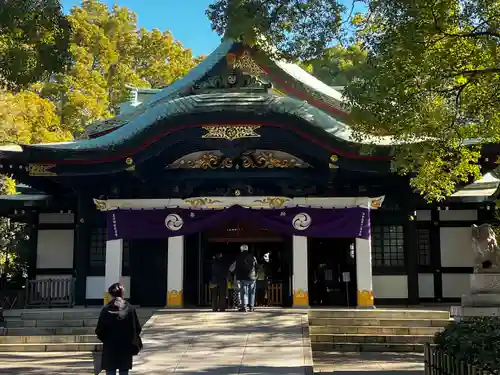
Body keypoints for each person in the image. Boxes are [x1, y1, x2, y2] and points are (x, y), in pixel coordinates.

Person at [95, 283, 142, 375]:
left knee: (110, 370)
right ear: (122, 294)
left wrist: (106, 340)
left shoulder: (106, 310)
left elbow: (99, 330)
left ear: (110, 294)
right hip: (125, 347)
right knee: (124, 371)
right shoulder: (130, 309)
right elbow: (137, 329)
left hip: (110, 347)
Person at [234, 244, 258, 312]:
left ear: (241, 249)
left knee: (244, 292)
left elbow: (237, 268)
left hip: (243, 277)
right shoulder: (253, 256)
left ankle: (244, 307)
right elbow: (256, 266)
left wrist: (237, 277)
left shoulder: (238, 257)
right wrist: (256, 275)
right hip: (252, 277)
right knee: (252, 292)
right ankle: (251, 307)